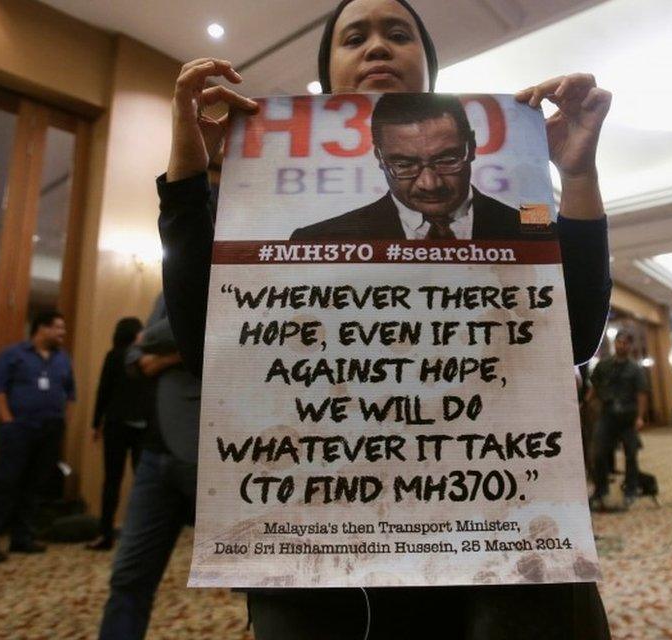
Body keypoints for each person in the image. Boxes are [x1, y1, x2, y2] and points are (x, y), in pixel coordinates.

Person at [157, 0, 613, 637]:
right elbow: (212, 351)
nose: (377, 47)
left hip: (501, 533)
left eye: (398, 34)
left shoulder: (522, 224)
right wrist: (185, 177)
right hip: (326, 538)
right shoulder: (311, 235)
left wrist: (579, 175)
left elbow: (581, 333)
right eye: (355, 37)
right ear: (375, 155)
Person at [98, 295, 200, 639]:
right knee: (129, 577)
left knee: (261, 583)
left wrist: (162, 351)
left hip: (215, 453)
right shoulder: (167, 291)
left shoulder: (234, 269)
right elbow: (133, 356)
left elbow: (229, 334)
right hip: (155, 454)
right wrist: (182, 350)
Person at [291, 93, 524, 240]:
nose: (429, 184)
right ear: (379, 158)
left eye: (447, 160)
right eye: (404, 164)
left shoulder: (536, 231)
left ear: (471, 148)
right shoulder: (317, 239)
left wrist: (563, 176)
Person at [0, 311, 74, 563]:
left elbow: (70, 394)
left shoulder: (63, 359)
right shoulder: (12, 354)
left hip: (50, 429)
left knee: (35, 485)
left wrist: (62, 421)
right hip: (19, 429)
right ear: (42, 328)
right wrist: (8, 421)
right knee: (5, 484)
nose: (63, 333)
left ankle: (22, 537)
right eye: (59, 328)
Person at [86, 317, 151, 551]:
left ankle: (105, 535)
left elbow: (103, 391)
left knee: (112, 481)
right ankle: (140, 536)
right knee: (142, 482)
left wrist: (96, 423)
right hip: (141, 427)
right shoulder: (144, 357)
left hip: (116, 424)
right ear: (134, 334)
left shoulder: (114, 356)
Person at [588, 331, 648, 511]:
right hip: (607, 415)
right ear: (615, 344)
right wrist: (585, 402)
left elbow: (642, 394)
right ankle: (601, 488)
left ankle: (631, 488)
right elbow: (594, 386)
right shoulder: (603, 365)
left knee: (631, 454)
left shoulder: (635, 369)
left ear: (630, 346)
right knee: (598, 453)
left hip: (628, 417)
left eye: (625, 343)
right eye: (619, 342)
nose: (622, 345)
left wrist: (640, 417)